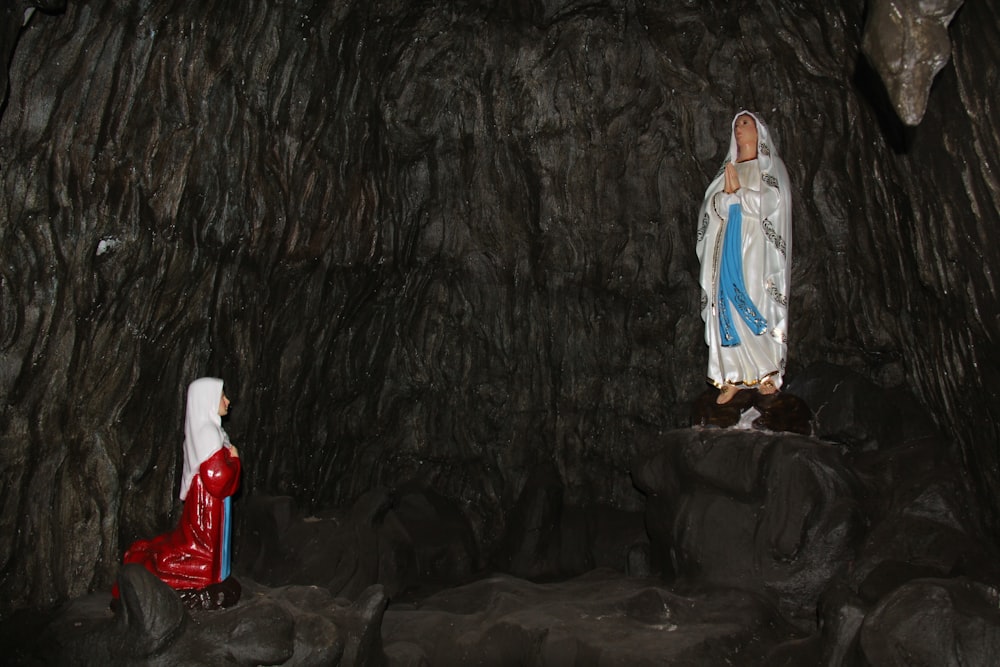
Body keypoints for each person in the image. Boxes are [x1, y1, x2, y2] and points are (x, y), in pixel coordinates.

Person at [696, 111, 792, 404]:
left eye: (746, 123)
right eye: (736, 125)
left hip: (756, 248)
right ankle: (731, 373)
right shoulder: (729, 168)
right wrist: (725, 199)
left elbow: (773, 204)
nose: (739, 129)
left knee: (754, 298)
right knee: (725, 300)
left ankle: (766, 371)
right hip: (728, 243)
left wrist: (739, 195)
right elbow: (711, 209)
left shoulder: (769, 170)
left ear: (759, 132)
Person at [113, 377, 241, 597]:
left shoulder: (212, 431)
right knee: (202, 546)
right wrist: (235, 460)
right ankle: (197, 574)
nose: (228, 401)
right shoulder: (208, 434)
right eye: (222, 397)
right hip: (207, 504)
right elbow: (217, 478)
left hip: (210, 501)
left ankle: (214, 574)